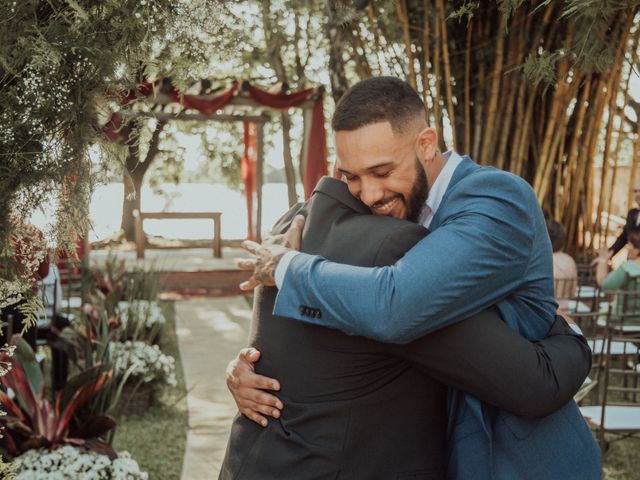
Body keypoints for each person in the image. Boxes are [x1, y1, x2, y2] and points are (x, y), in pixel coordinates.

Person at [233, 77, 600, 478]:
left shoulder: (496, 199)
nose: (369, 194)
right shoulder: (385, 214)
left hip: (515, 452)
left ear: (426, 143)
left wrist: (286, 266)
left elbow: (397, 304)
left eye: (382, 171)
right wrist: (251, 364)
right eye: (352, 176)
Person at [597, 222, 640, 320]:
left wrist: (603, 260)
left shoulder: (627, 268)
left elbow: (604, 285)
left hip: (622, 320)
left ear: (637, 249)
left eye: (629, 244)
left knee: (601, 313)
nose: (627, 247)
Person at [546, 219, 578, 304]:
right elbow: (573, 292)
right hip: (566, 310)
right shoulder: (570, 261)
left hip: (544, 310)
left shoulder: (540, 260)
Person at [608, 177, 640, 258]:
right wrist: (608, 254)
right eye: (635, 191)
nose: (638, 194)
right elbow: (623, 237)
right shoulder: (632, 213)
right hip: (631, 263)